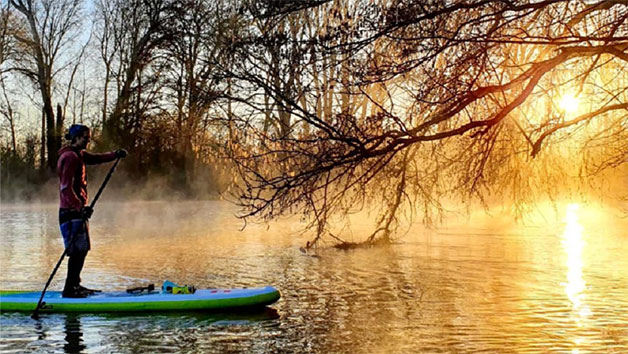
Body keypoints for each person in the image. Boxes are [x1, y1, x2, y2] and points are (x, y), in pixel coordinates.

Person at [57, 124, 127, 298]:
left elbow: (96, 158)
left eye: (88, 138)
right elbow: (65, 188)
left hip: (76, 211)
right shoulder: (70, 157)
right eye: (85, 138)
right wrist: (80, 208)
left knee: (82, 249)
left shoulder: (78, 154)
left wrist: (115, 154)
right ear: (75, 138)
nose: (88, 141)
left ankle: (75, 285)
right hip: (71, 211)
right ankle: (69, 289)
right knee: (77, 251)